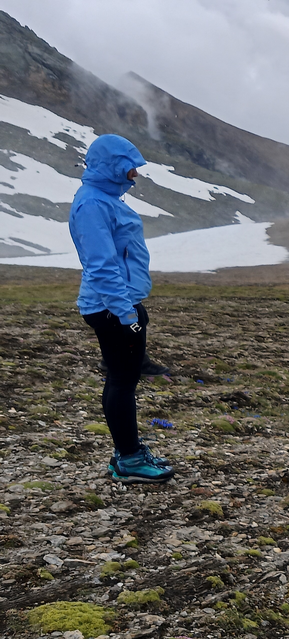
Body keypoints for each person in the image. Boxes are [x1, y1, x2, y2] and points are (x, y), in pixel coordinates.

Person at [70, 135, 174, 484]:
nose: (135, 176)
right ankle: (129, 459)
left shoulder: (103, 199)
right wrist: (126, 314)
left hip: (116, 304)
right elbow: (101, 265)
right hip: (111, 307)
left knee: (120, 378)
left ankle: (125, 452)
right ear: (113, 165)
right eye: (130, 168)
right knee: (123, 381)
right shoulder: (93, 204)